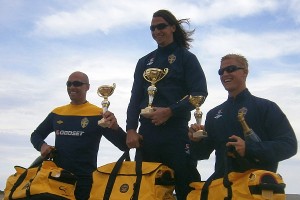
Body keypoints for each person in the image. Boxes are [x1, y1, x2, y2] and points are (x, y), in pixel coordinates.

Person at [126, 9, 208, 200]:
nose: (156, 31)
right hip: (147, 135)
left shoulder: (186, 58)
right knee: (145, 190)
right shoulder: (144, 62)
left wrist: (171, 111)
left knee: (185, 187)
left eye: (161, 26)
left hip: (176, 134)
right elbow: (135, 99)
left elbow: (200, 93)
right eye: (152, 28)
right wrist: (131, 129)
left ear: (172, 27)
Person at [189, 53, 297, 179]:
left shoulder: (266, 107)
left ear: (245, 72)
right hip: (223, 188)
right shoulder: (214, 114)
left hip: (257, 190)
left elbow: (289, 146)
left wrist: (249, 148)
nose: (225, 74)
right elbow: (201, 154)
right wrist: (195, 141)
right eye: (221, 71)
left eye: (230, 69)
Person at [31, 71, 128, 200]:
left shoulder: (98, 114)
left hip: (84, 182)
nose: (72, 87)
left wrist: (115, 127)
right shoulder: (57, 113)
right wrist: (41, 145)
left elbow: (123, 145)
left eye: (77, 83)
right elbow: (36, 135)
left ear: (87, 87)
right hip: (57, 179)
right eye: (69, 84)